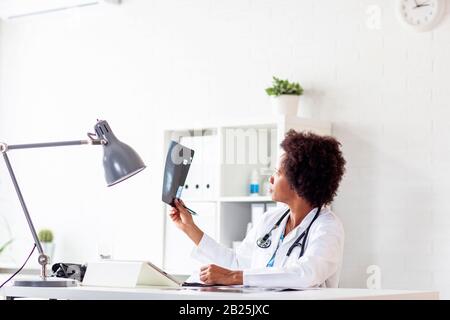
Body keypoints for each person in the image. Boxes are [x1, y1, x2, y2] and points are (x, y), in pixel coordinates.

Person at [170, 130, 346, 288]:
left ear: (299, 182)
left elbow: (306, 274)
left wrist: (234, 277)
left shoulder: (328, 227)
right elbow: (238, 263)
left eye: (278, 173)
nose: (270, 179)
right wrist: (189, 228)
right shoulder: (270, 220)